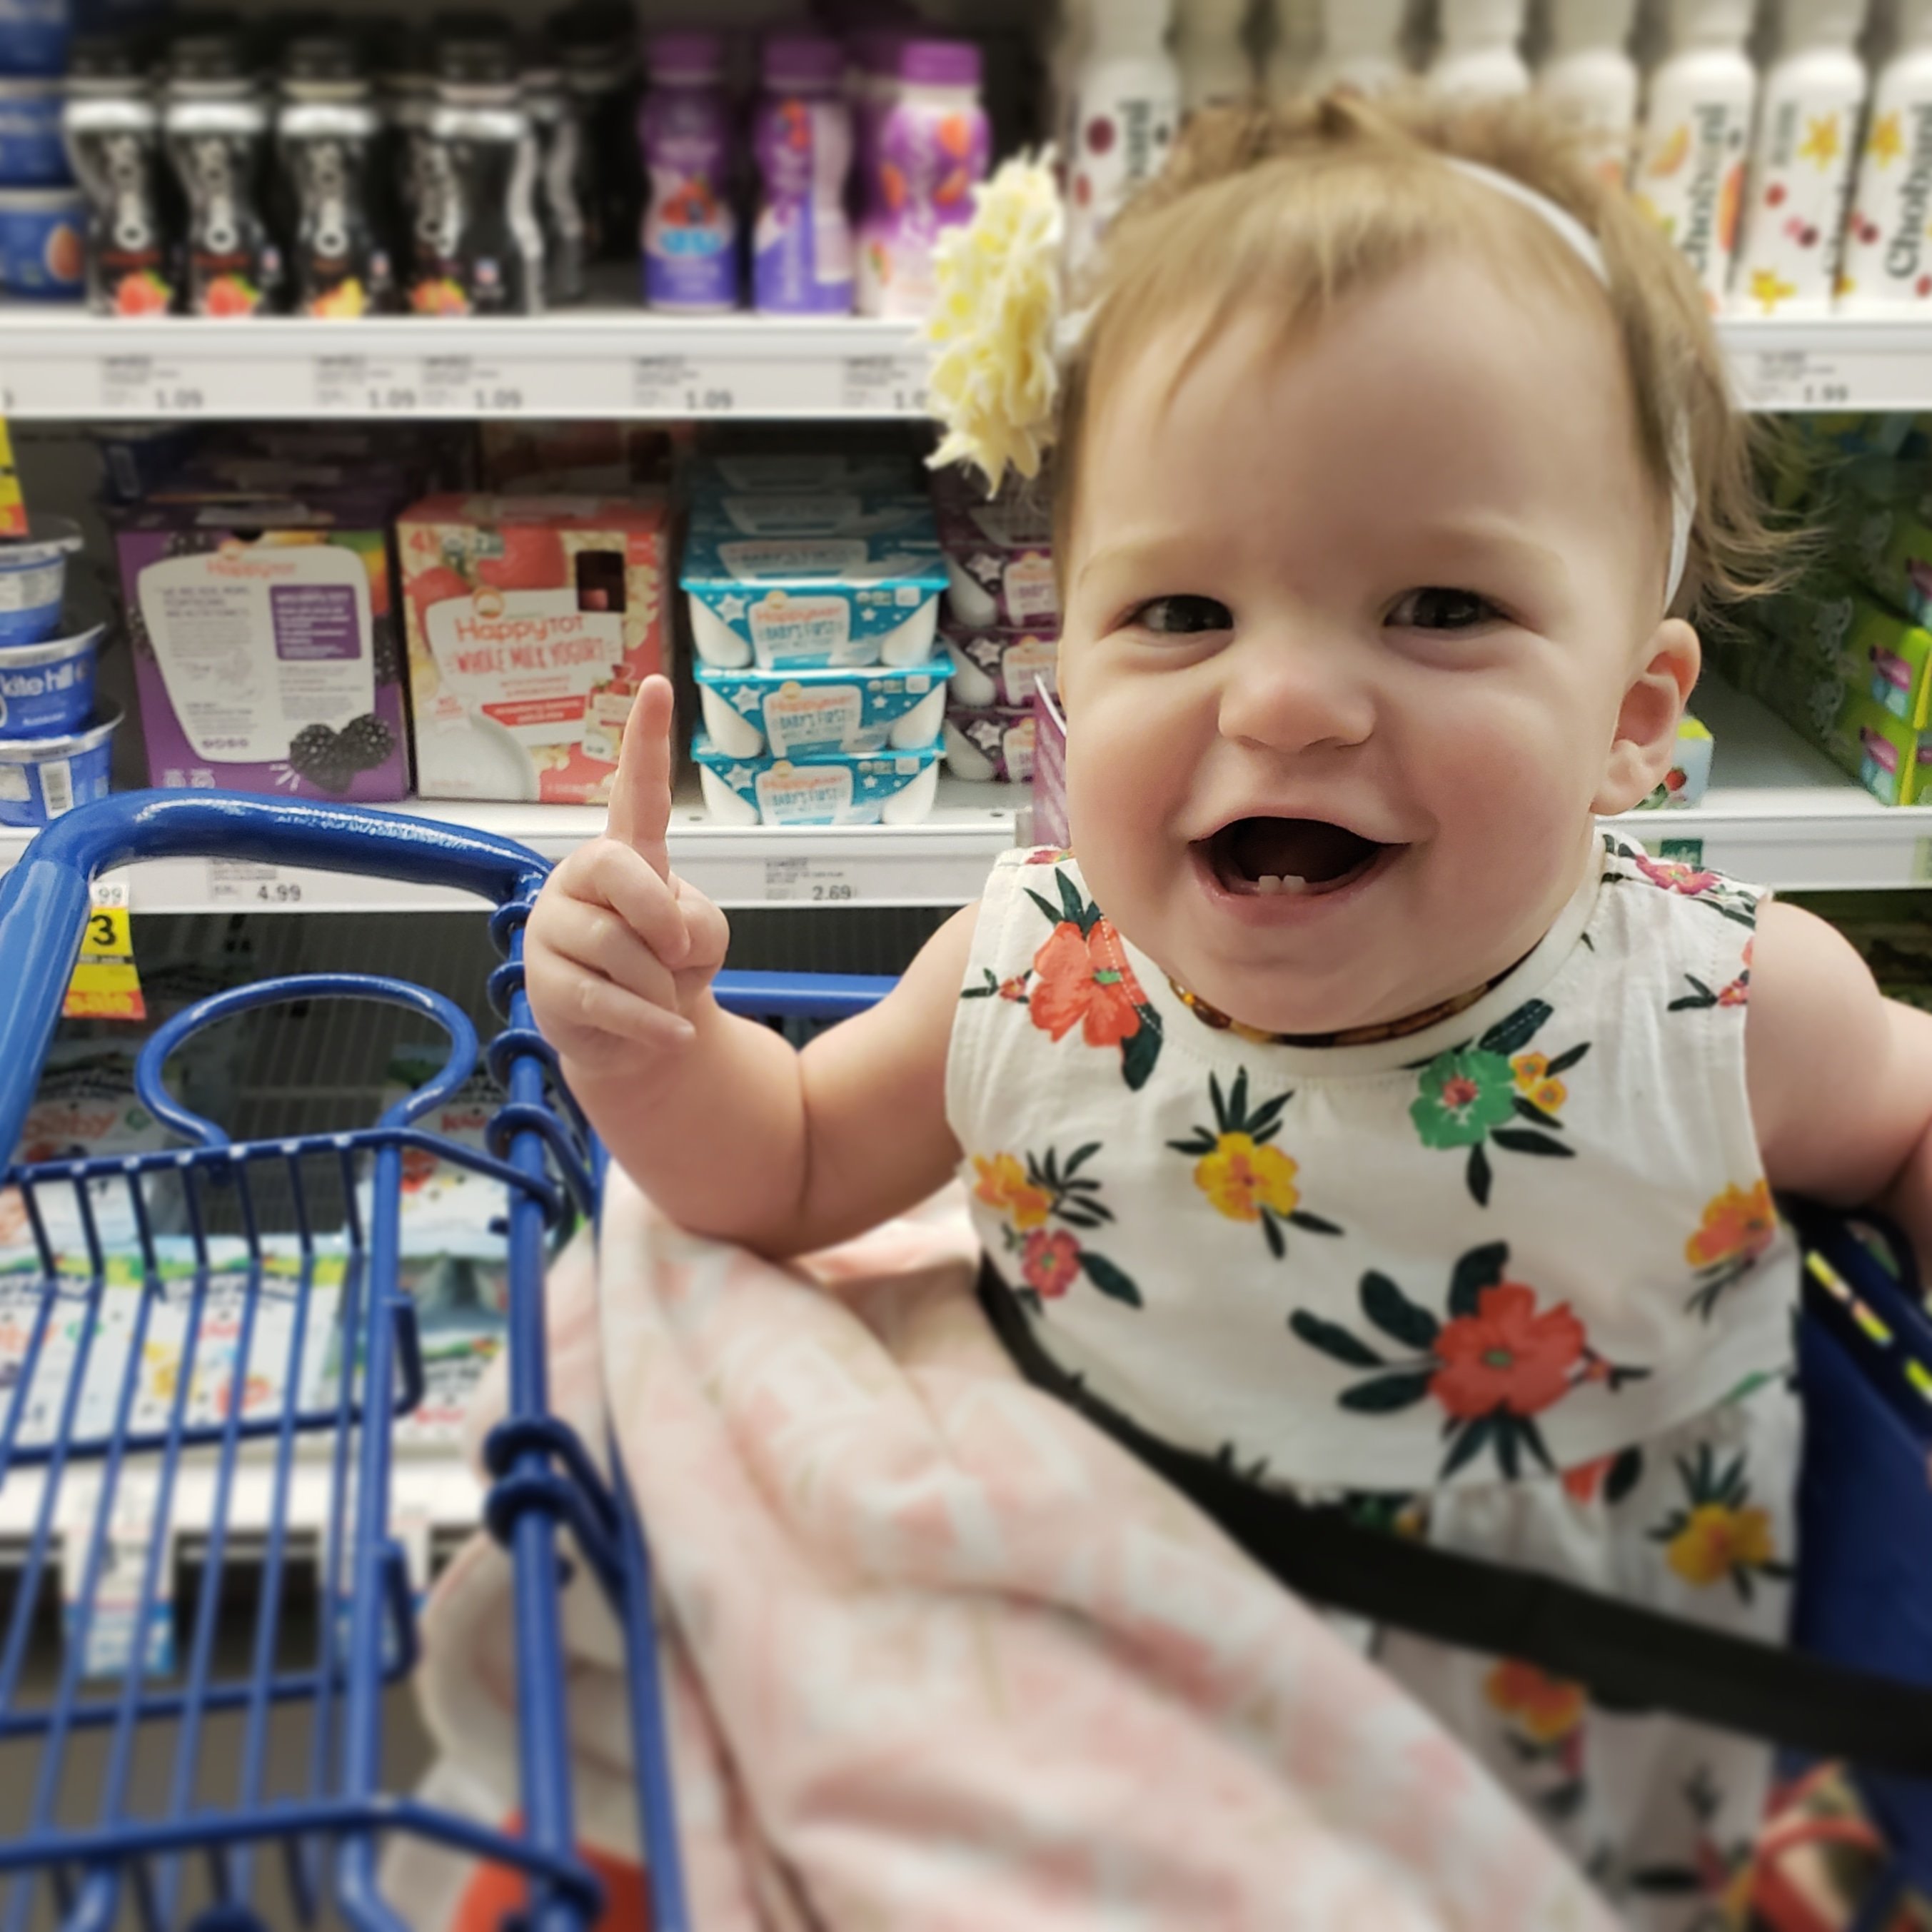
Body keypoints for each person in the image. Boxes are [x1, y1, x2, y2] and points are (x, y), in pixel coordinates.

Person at [524, 92, 1932, 1923]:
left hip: (1576, 1794)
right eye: (1179, 610)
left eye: (1438, 604)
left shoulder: (1723, 1013)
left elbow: (1906, 1113)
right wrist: (651, 1046)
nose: (1283, 704)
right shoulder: (1029, 972)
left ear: (1635, 713)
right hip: (1108, 1758)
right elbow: (778, 1169)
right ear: (1060, 656)